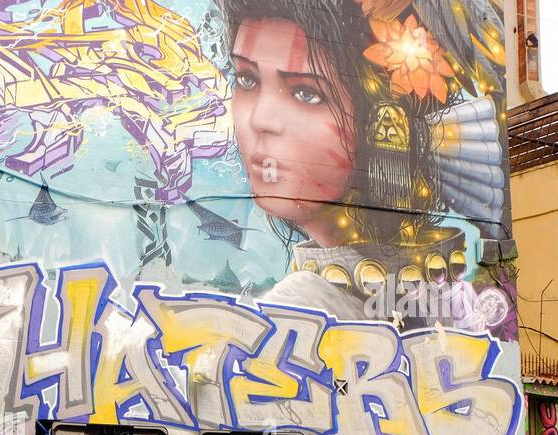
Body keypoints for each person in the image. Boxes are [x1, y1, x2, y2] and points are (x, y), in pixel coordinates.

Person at [217, 0, 510, 331]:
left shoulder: (296, 309)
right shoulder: (455, 297)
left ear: (383, 124)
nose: (260, 119)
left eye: (306, 93)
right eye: (246, 79)